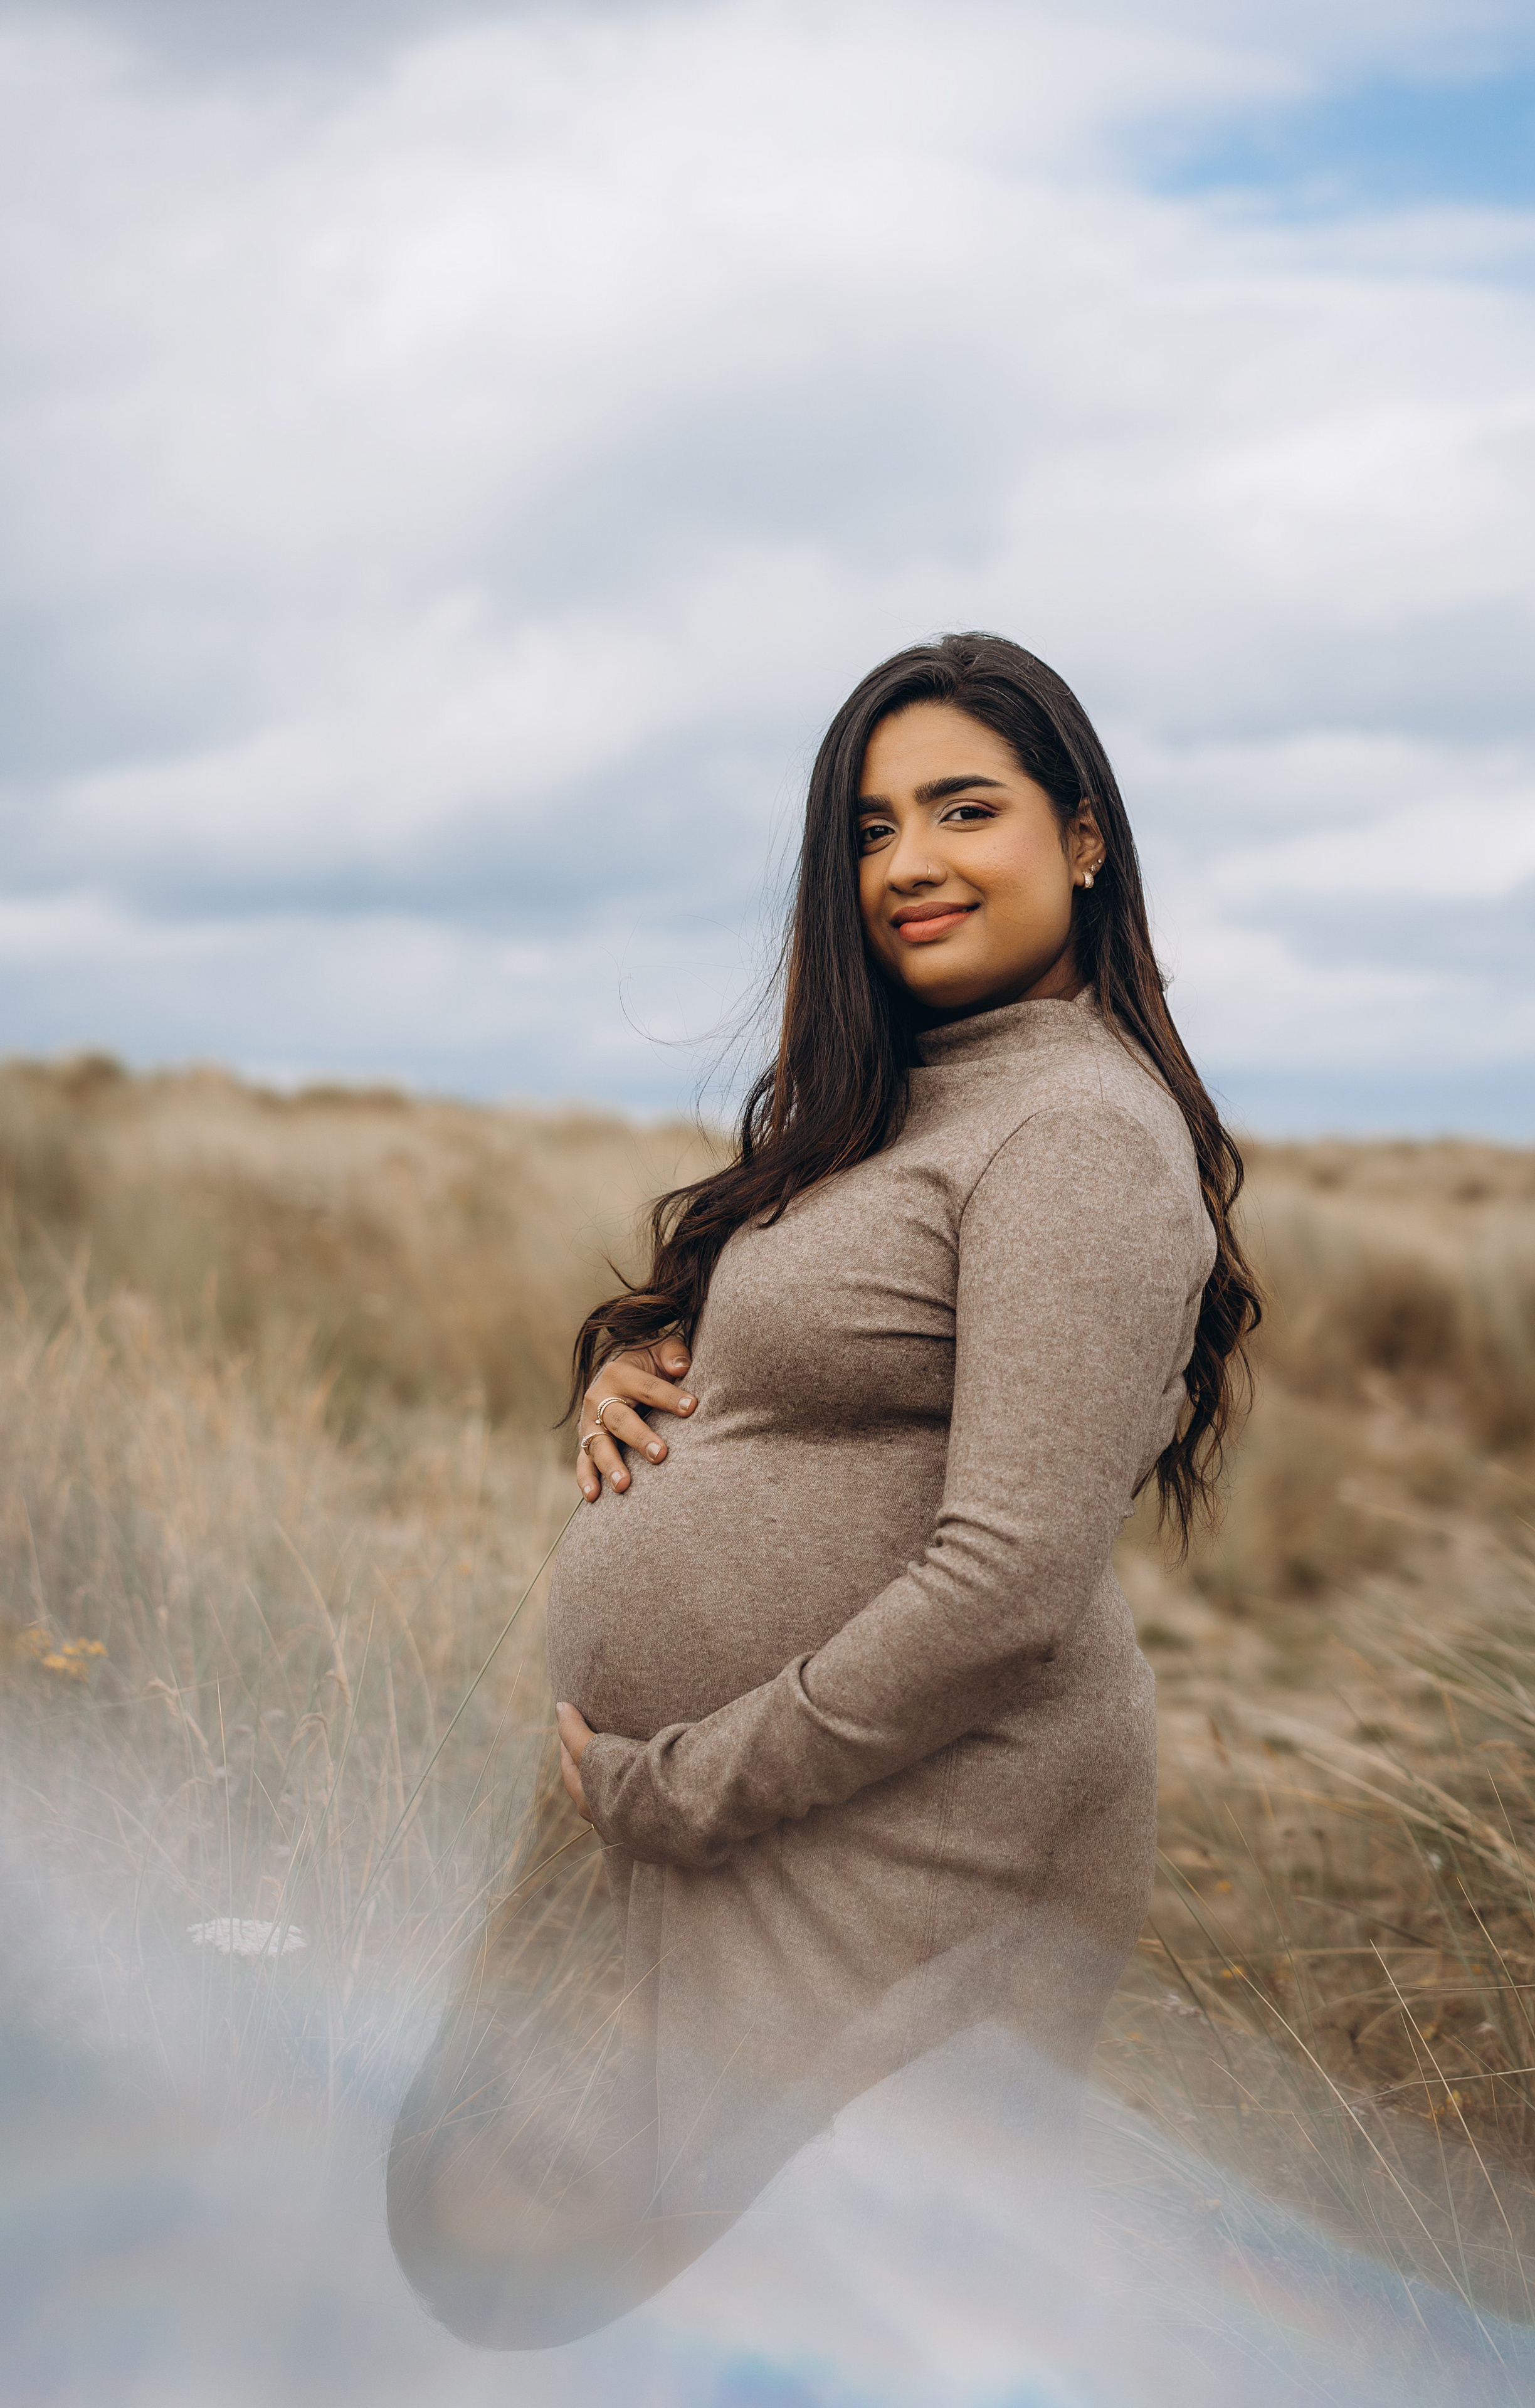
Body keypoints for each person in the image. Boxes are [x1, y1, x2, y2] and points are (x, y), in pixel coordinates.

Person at [388, 631, 1261, 2347]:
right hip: (738, 1822)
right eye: (869, 830)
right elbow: (821, 1380)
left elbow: (1007, 1583)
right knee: (558, 2277)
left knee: (811, 2313)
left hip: (914, 1846)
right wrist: (634, 1377)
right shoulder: (904, 1102)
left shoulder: (1074, 1135)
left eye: (962, 811)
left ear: (1085, 840)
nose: (908, 865)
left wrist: (689, 1785)